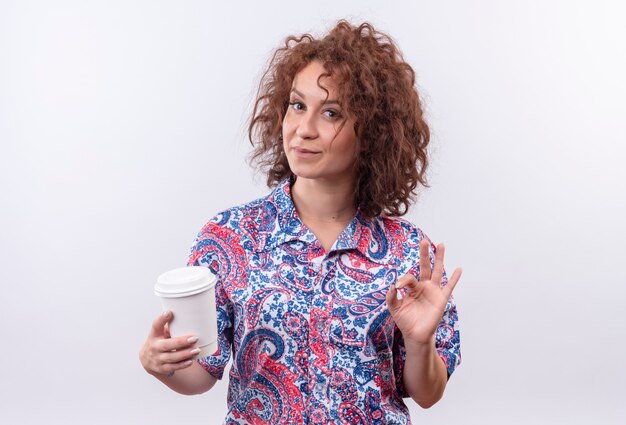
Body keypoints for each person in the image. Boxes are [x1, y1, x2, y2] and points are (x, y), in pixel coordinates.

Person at [140, 20, 462, 424]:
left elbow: (426, 393)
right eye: (297, 105)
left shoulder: (410, 254)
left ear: (373, 132)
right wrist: (161, 363)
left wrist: (420, 342)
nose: (303, 129)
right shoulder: (230, 237)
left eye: (331, 112)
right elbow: (201, 373)